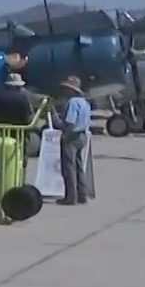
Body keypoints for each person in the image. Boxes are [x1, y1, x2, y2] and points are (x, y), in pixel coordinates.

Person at [52, 73, 91, 205]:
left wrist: (55, 117)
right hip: (82, 135)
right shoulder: (85, 102)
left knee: (69, 168)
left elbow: (69, 123)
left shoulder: (72, 103)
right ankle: (82, 194)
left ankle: (71, 197)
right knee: (79, 167)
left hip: (72, 136)